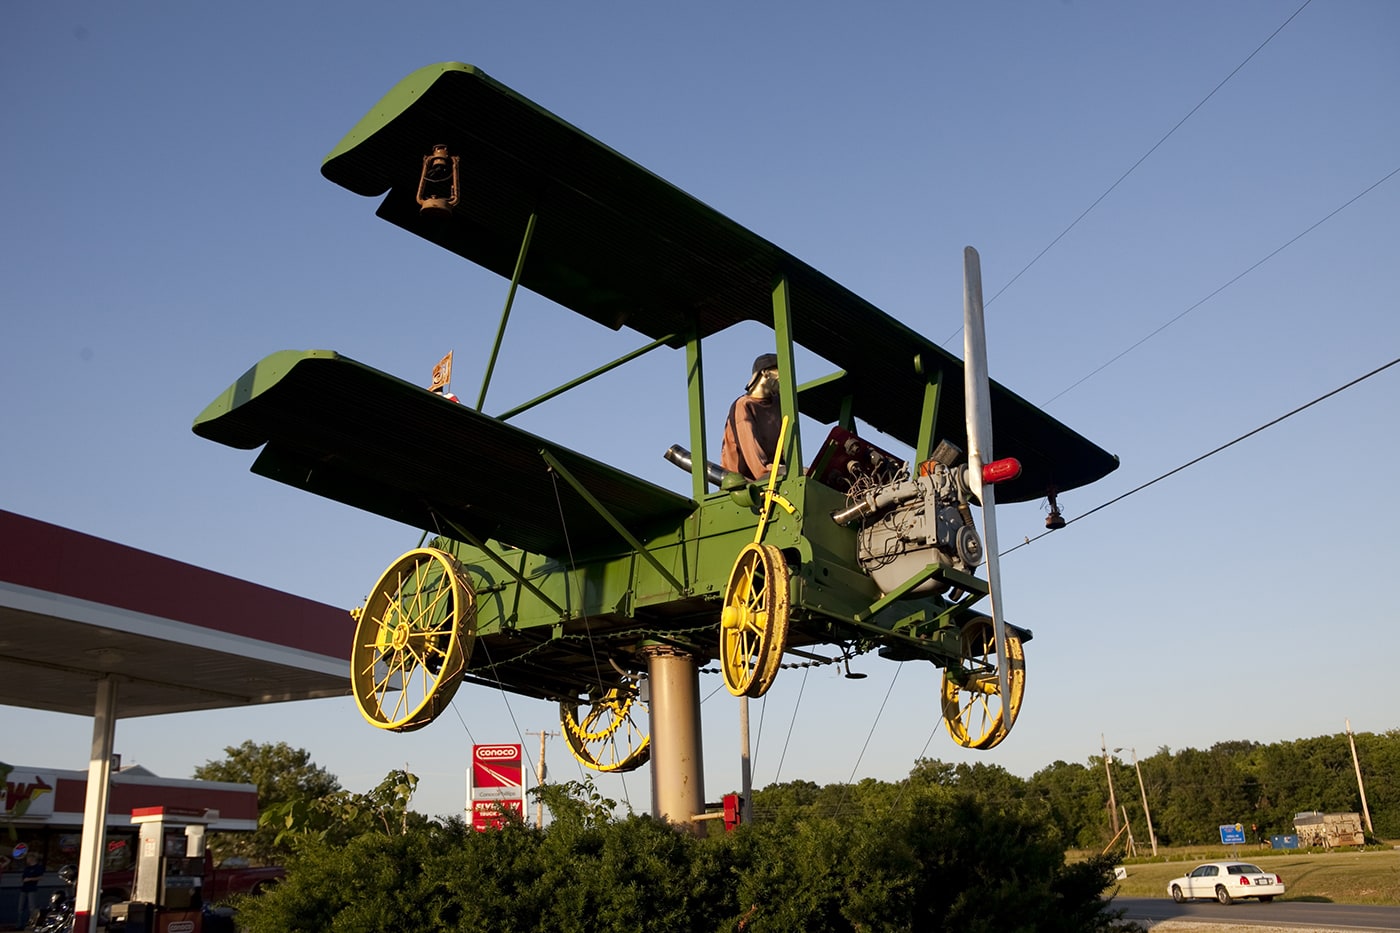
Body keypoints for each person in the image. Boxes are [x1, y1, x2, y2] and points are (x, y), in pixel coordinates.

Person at [721, 353, 783, 481]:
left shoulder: (778, 403)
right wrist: (780, 470)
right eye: (781, 371)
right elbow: (756, 464)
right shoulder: (743, 405)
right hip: (743, 483)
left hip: (775, 473)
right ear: (766, 373)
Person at [17, 852, 44, 929]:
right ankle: (20, 925)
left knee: (32, 908)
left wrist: (30, 879)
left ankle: (32, 924)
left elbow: (41, 877)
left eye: (28, 858)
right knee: (20, 908)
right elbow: (23, 878)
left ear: (32, 859)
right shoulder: (27, 868)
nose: (27, 860)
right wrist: (24, 880)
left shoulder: (38, 867)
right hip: (24, 889)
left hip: (32, 889)